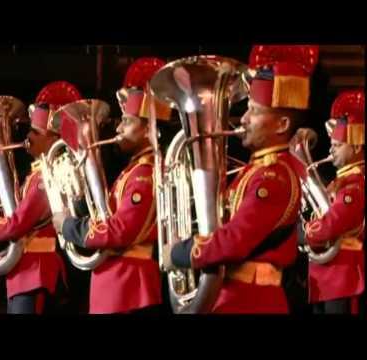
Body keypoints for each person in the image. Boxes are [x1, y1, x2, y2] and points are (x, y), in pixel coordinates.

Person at [164, 45, 319, 313]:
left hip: (251, 300)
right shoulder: (254, 171)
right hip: (234, 297)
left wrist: (180, 252)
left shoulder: (274, 177)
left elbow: (233, 241)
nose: (244, 118)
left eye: (254, 111)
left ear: (281, 125)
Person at [52, 58, 169, 314]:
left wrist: (69, 225)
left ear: (149, 129)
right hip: (116, 287)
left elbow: (119, 232)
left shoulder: (145, 174)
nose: (118, 128)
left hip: (128, 289)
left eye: (127, 121)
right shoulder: (134, 170)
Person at [0, 81, 82, 314]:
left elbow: (17, 223)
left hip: (36, 272)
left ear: (54, 138)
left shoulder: (45, 178)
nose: (27, 135)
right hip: (27, 272)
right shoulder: (37, 174)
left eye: (36, 132)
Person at [305, 89, 364, 314]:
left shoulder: (355, 185)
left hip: (343, 275)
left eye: (338, 146)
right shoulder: (341, 182)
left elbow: (331, 225)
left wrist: (304, 232)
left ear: (357, 147)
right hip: (326, 275)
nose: (331, 150)